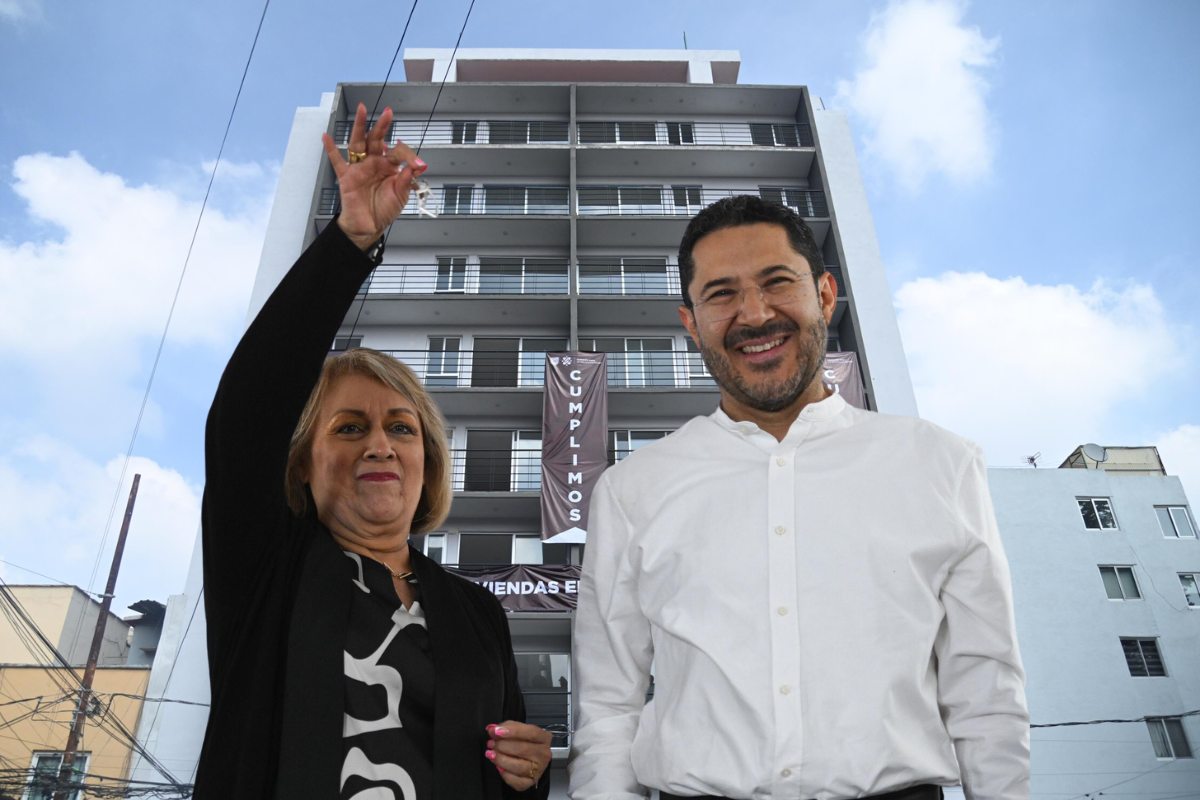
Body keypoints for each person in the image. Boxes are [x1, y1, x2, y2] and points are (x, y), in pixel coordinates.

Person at [568, 196, 1029, 800]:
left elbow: (986, 690)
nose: (754, 315)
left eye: (776, 282)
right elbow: (607, 703)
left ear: (826, 294)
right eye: (722, 294)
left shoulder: (940, 464)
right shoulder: (633, 490)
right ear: (691, 322)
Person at [195, 103, 552, 800]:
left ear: (428, 463)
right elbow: (246, 416)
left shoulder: (479, 615)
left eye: (402, 427)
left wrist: (529, 775)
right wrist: (350, 241)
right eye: (350, 427)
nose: (380, 444)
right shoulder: (268, 565)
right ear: (301, 462)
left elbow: (502, 772)